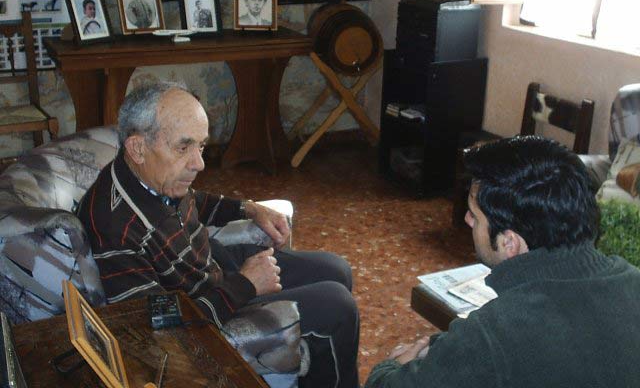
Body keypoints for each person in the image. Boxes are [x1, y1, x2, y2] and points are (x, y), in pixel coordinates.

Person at [77, 81, 359, 388]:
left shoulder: (151, 176)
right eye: (184, 147)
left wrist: (249, 209)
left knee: (336, 268)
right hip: (208, 312)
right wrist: (246, 284)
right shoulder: (114, 227)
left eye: (201, 146)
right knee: (338, 305)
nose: (198, 163)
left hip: (215, 267)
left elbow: (193, 201)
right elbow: (155, 327)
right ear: (138, 147)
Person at [365, 136, 640, 388]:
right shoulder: (633, 279)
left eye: (475, 215)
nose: (467, 220)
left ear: (510, 242)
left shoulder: (493, 333)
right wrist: (443, 348)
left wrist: (389, 367)